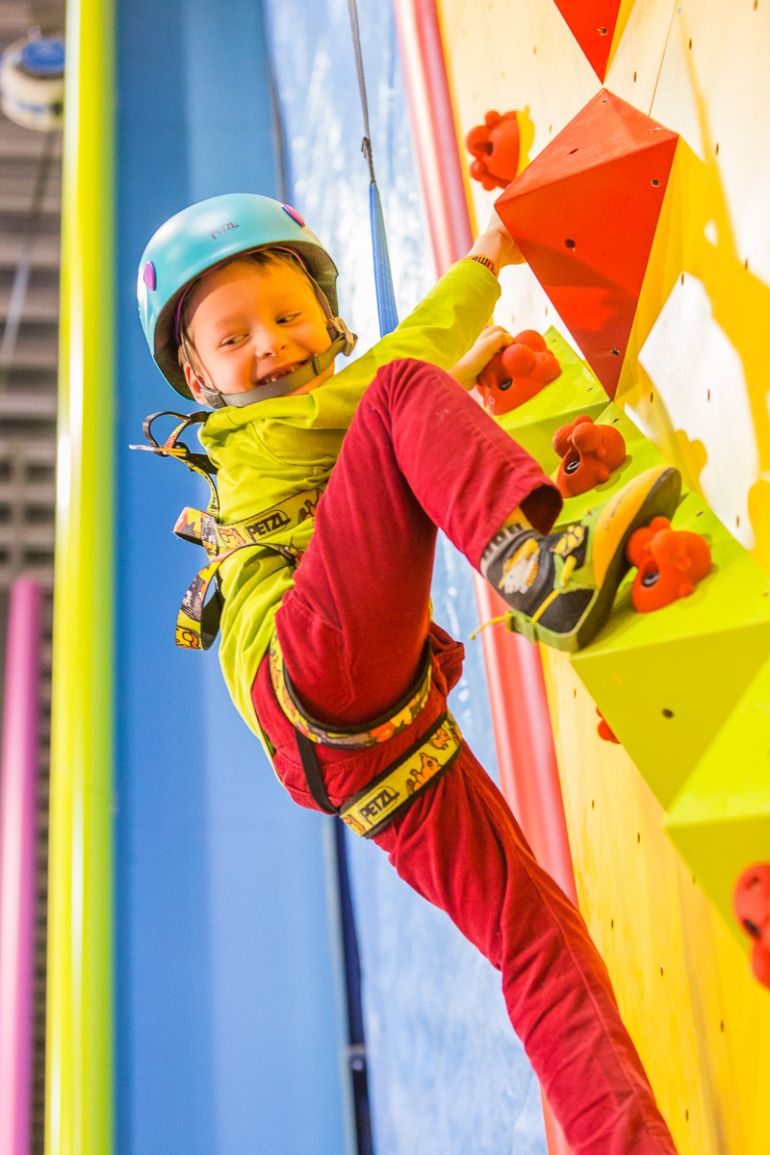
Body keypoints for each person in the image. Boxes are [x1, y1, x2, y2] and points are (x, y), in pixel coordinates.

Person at [137, 193, 681, 1154]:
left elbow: (395, 394)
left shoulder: (301, 432)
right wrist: (485, 260)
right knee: (403, 398)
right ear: (197, 374)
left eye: (289, 316)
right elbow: (403, 371)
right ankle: (529, 561)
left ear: (329, 317)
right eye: (235, 339)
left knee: (538, 941)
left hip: (364, 748)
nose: (272, 346)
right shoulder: (262, 433)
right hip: (310, 670)